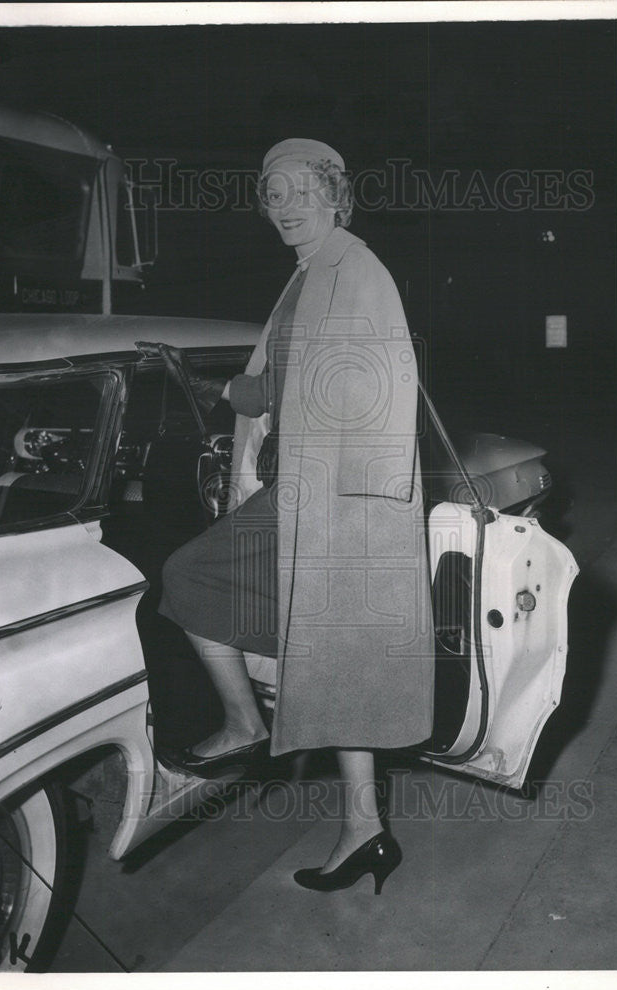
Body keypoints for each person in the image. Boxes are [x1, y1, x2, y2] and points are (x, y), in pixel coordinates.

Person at [137, 138, 434, 894]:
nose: (285, 205)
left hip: (338, 501)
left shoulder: (355, 270)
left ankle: (245, 724)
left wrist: (257, 403)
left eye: (301, 190)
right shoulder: (310, 275)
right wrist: (243, 394)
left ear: (337, 195)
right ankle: (364, 828)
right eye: (272, 193)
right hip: (314, 492)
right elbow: (290, 379)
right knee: (338, 665)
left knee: (192, 576)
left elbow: (370, 390)